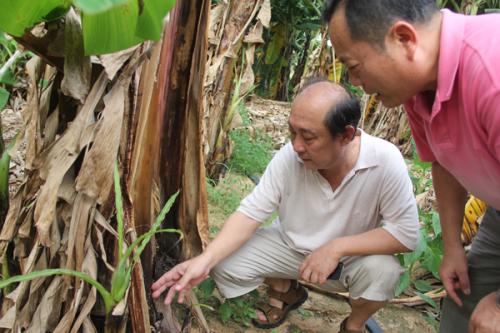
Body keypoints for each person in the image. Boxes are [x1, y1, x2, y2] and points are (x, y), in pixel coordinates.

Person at [152, 79, 419, 332]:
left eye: (308, 137)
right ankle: (286, 288)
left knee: (384, 271)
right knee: (222, 261)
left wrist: (337, 247)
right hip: (291, 249)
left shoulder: (384, 161)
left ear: (346, 135)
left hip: (350, 263)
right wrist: (204, 260)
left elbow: (405, 234)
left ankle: (355, 324)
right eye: (292, 132)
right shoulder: (289, 157)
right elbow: (251, 212)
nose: (297, 146)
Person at [323, 1, 500, 332]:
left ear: (404, 38)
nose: (354, 81)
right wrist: (451, 246)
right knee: (466, 309)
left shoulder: (492, 73)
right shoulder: (417, 91)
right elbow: (443, 162)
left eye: (354, 66)